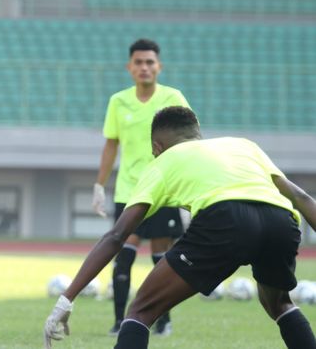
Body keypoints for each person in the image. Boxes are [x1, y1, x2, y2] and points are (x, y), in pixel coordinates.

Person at [44, 106, 316, 349]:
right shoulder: (244, 145)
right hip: (281, 221)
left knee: (140, 311)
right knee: (279, 303)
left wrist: (66, 299)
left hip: (225, 219)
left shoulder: (163, 162)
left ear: (157, 146)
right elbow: (301, 197)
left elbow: (117, 236)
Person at [92, 38, 190, 336]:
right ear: (129, 67)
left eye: (150, 62)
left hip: (164, 190)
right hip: (129, 192)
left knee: (162, 260)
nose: (144, 67)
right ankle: (119, 321)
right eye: (139, 62)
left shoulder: (173, 97)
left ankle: (164, 320)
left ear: (159, 66)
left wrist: (188, 188)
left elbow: (189, 142)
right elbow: (111, 145)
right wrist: (99, 184)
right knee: (123, 254)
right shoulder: (118, 101)